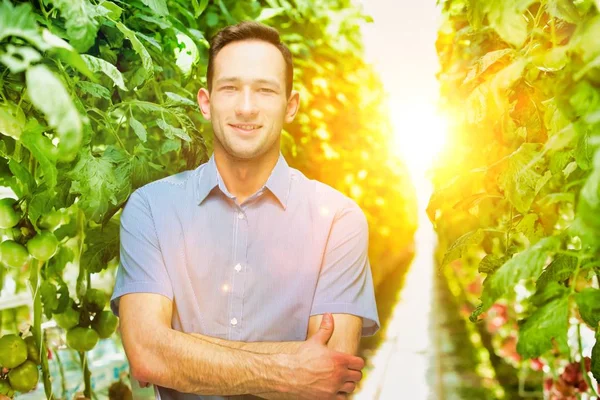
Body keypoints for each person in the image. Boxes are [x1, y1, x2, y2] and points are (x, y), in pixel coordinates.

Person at [110, 21, 380, 400]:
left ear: (291, 106)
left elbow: (329, 370)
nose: (247, 107)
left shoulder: (339, 219)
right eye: (230, 88)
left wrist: (181, 348)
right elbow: (147, 355)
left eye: (265, 90)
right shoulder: (151, 208)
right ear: (206, 102)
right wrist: (290, 366)